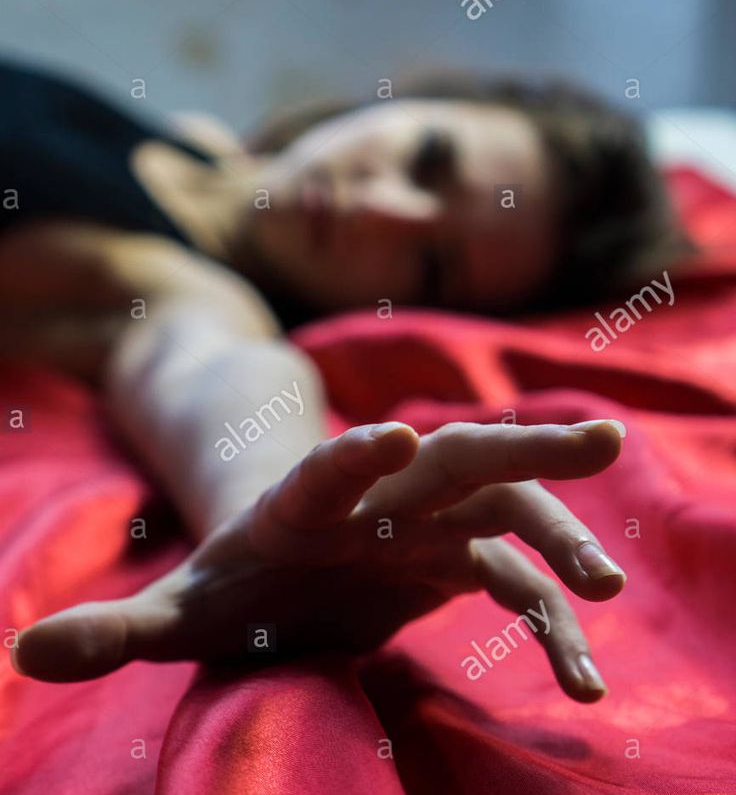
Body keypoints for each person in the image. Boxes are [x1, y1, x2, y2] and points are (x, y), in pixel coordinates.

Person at [1, 58, 679, 700]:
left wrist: (284, 517)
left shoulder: (195, 294)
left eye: (430, 265)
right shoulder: (196, 143)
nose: (380, 210)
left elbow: (220, 371)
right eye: (428, 158)